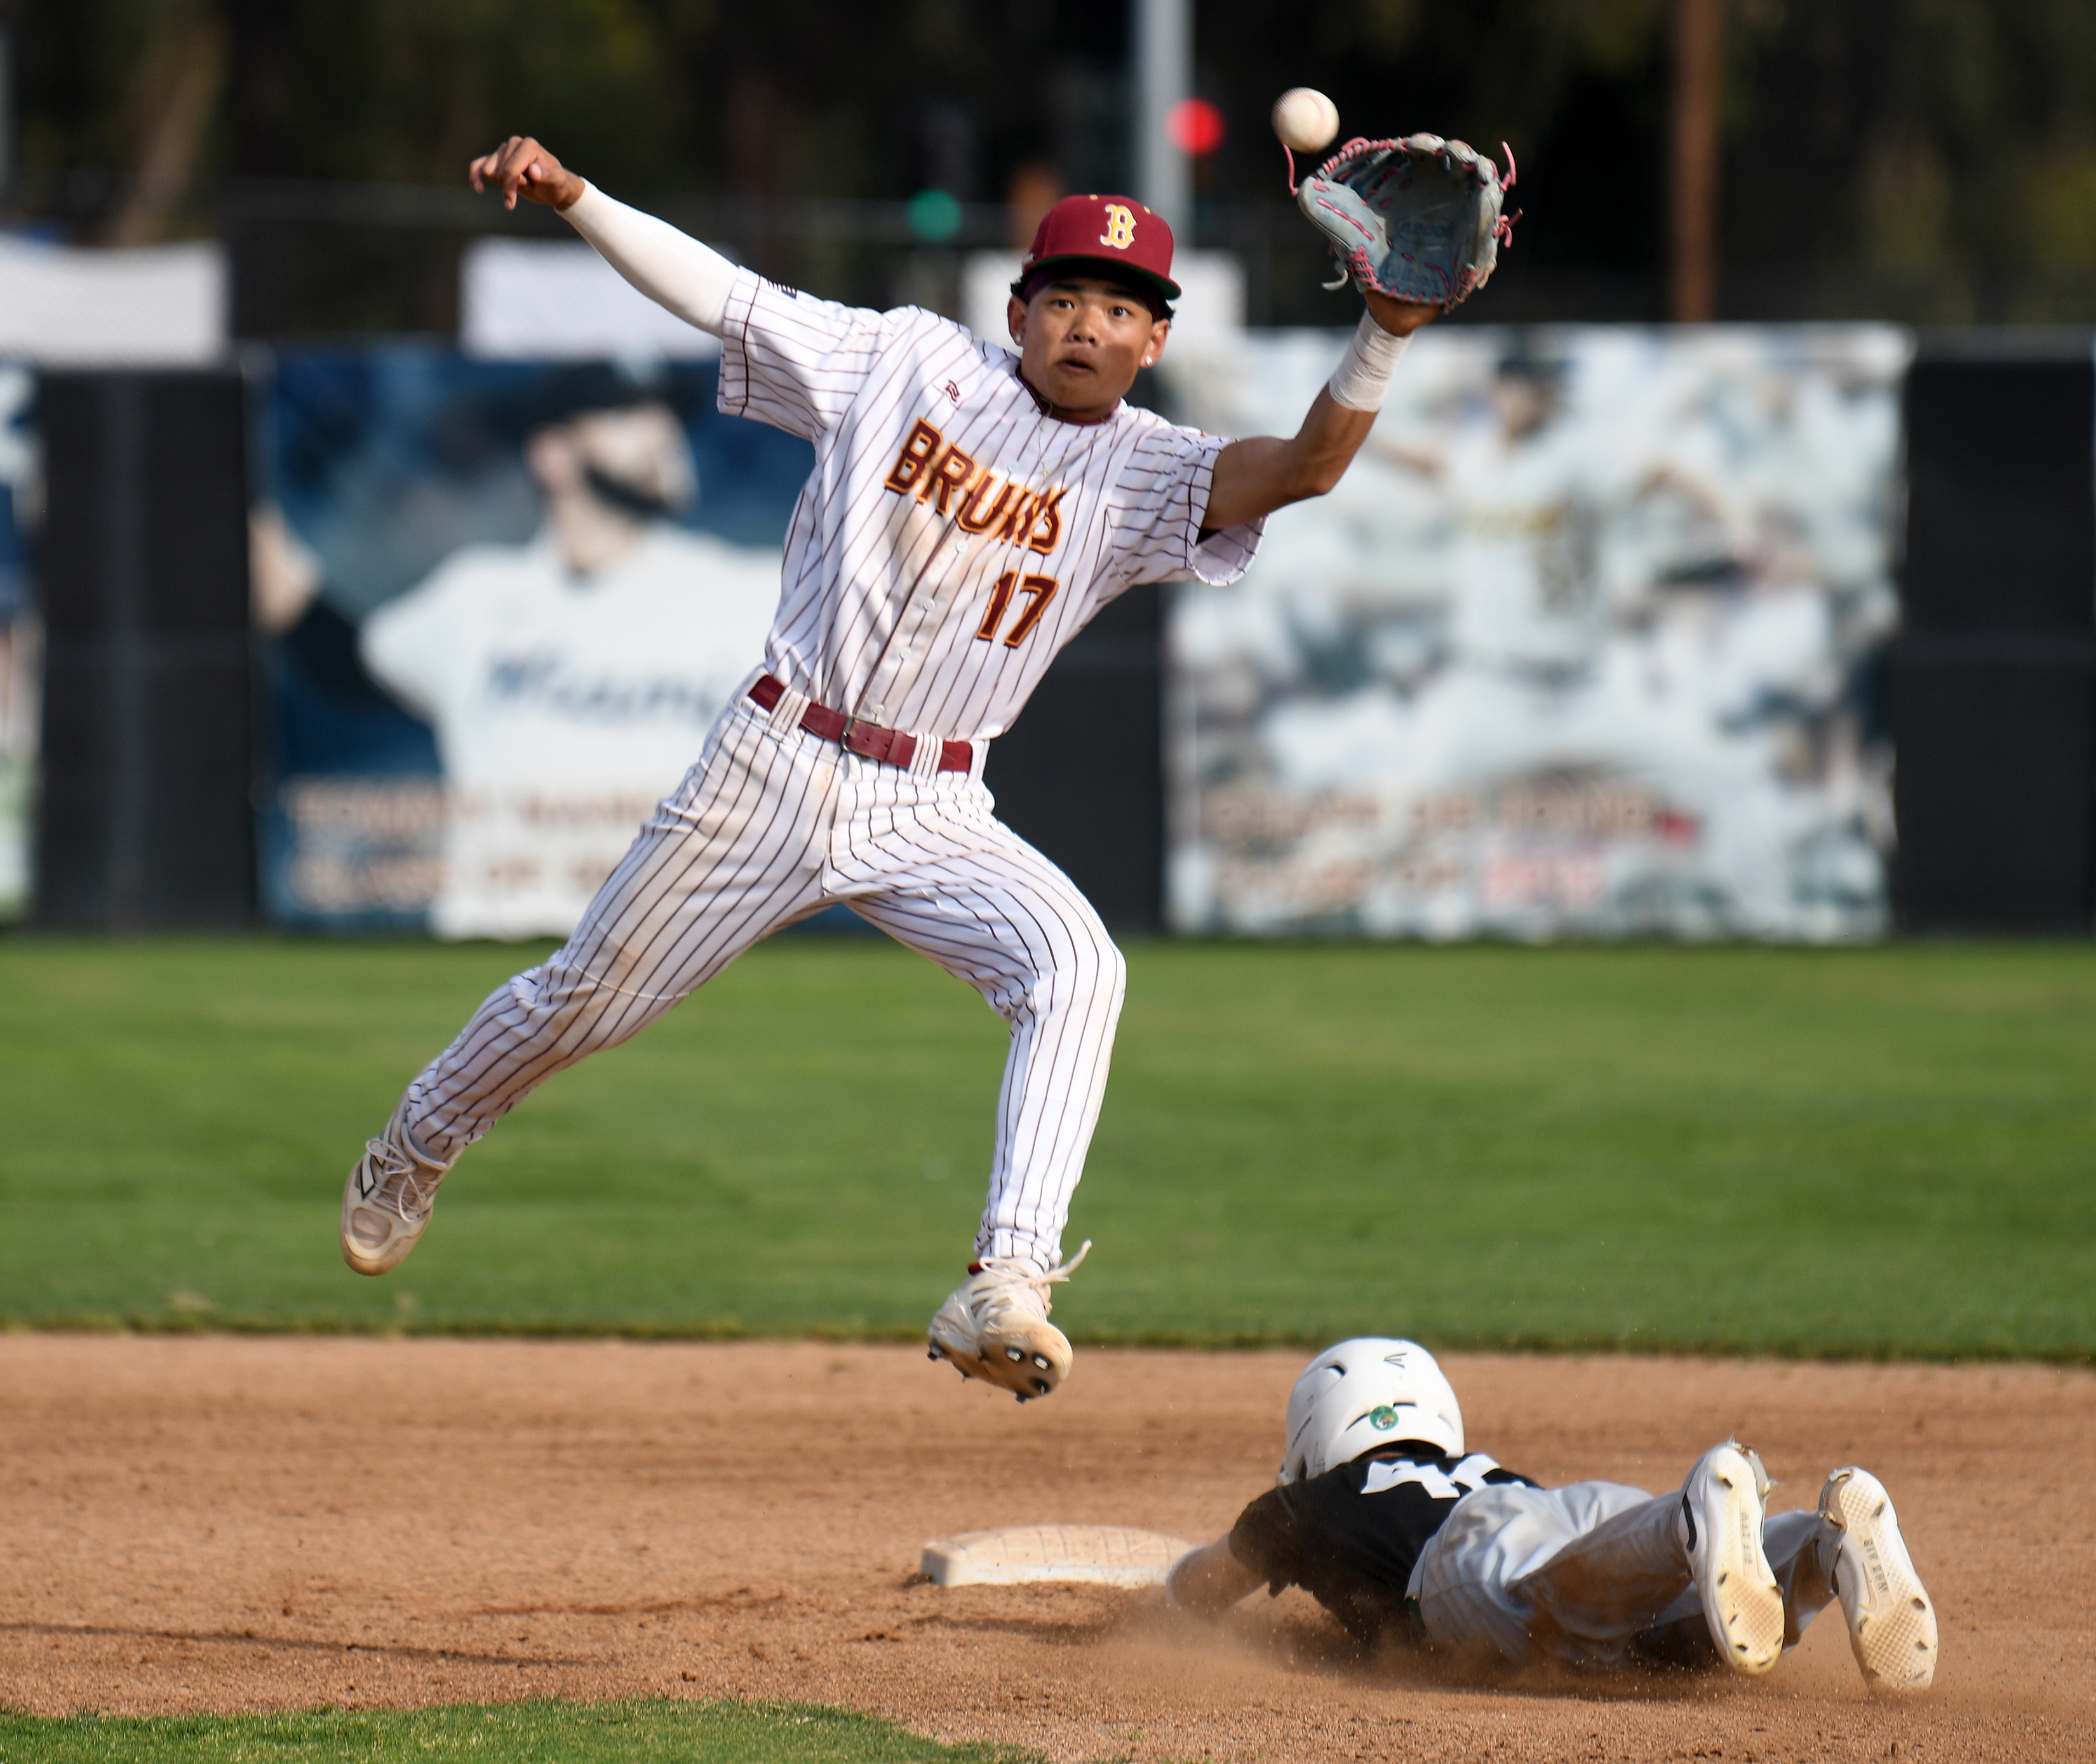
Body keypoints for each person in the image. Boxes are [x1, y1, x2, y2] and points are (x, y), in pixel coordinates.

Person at [339, 133, 1446, 1403]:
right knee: (586, 1003)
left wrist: (1386, 332)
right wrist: (582, 197)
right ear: (1019, 309)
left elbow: (1303, 466)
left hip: (932, 804)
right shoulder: (906, 359)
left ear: (1153, 344)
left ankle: (1007, 1281)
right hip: (773, 762)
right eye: (1070, 296)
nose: (1091, 324)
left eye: (1124, 309)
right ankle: (421, 1135)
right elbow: (723, 294)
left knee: (1077, 968)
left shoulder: (1150, 471)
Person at [1166, 1337, 1938, 1695]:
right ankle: (1820, 1541)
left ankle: (1690, 1519)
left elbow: (1201, 1588)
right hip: (1566, 1510)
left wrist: (1158, 1601)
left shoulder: (1307, 1506)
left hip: (1467, 1559)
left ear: (1318, 1431)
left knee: (1542, 1608)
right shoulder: (1476, 1468)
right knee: (1664, 1636)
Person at [358, 366, 779, 939]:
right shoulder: (475, 595)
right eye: (624, 416)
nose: (660, 436)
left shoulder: (749, 591)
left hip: (668, 946)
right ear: (551, 455)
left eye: (666, 417)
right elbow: (344, 661)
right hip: (487, 944)